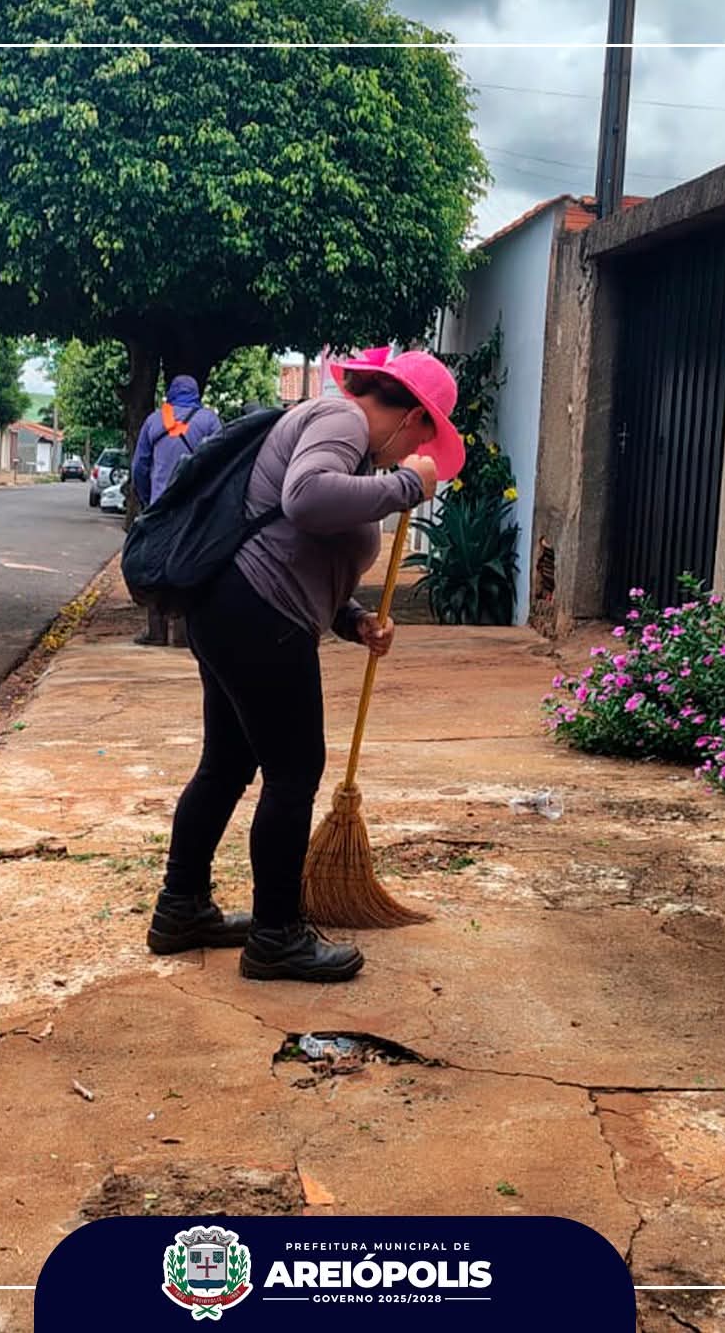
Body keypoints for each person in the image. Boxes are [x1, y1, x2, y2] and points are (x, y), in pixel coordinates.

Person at [145, 350, 465, 982]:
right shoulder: (342, 420)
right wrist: (409, 487)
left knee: (227, 764)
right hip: (259, 616)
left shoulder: (342, 437)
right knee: (294, 773)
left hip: (236, 608)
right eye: (423, 437)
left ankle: (181, 909)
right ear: (412, 416)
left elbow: (297, 546)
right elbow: (307, 499)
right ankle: (276, 936)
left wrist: (353, 619)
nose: (417, 451)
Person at [132, 374, 222, 646]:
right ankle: (183, 634)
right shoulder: (209, 421)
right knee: (189, 564)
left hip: (161, 507)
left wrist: (148, 500)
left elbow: (139, 466)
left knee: (154, 566)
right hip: (196, 508)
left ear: (170, 392)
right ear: (196, 393)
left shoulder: (154, 420)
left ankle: (156, 632)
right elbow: (222, 461)